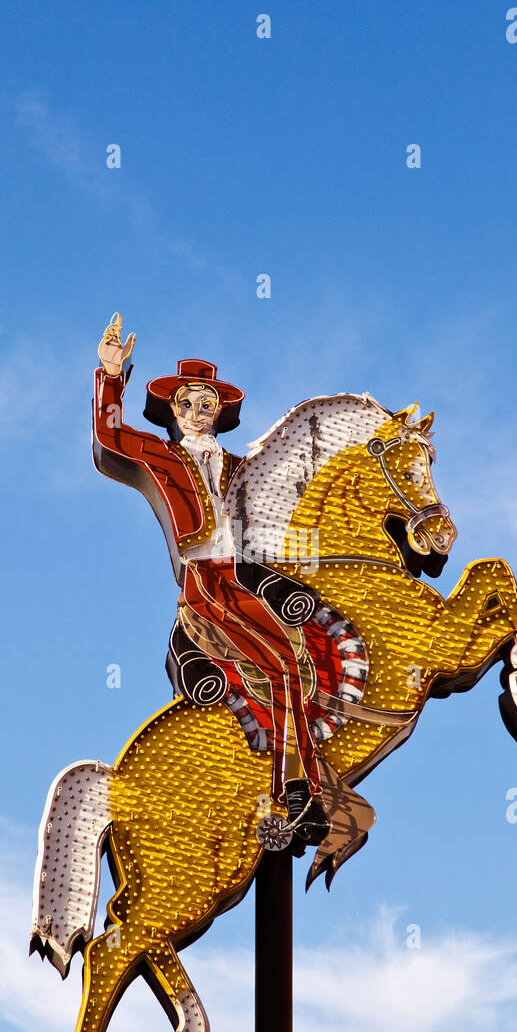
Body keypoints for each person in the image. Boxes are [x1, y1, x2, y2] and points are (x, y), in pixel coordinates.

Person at [93, 314, 324, 827]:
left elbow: (287, 507)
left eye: (207, 405)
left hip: (244, 577)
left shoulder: (244, 466)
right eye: (187, 404)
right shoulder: (159, 455)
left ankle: (296, 785)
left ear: (220, 412)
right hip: (203, 582)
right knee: (277, 662)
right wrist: (110, 375)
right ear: (171, 409)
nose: (197, 412)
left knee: (292, 661)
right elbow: (109, 440)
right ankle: (291, 787)